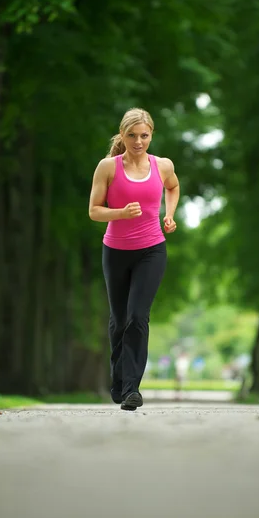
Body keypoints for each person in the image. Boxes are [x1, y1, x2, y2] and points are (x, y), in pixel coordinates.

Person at [89, 108, 180, 411]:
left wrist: (169, 215)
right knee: (119, 321)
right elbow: (94, 210)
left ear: (151, 134)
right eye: (132, 135)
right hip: (115, 251)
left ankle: (132, 389)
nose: (139, 141)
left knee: (138, 317)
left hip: (152, 250)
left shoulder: (163, 165)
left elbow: (173, 187)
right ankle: (118, 379)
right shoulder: (108, 167)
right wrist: (120, 213)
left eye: (144, 135)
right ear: (123, 135)